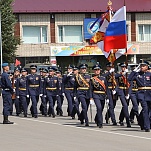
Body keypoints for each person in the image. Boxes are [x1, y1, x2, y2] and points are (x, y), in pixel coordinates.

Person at [129, 60, 151, 132]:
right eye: (141, 66)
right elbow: (129, 78)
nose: (142, 67)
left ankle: (141, 122)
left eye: (143, 66)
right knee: (145, 109)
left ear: (147, 67)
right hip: (141, 94)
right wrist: (135, 70)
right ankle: (147, 126)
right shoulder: (137, 74)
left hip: (149, 94)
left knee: (147, 110)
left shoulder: (149, 74)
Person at [90, 64, 109, 128]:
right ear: (93, 71)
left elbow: (106, 88)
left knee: (101, 109)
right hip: (96, 94)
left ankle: (96, 118)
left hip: (102, 95)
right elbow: (90, 89)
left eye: (98, 70)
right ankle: (100, 123)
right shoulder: (92, 79)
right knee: (99, 107)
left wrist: (108, 97)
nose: (97, 71)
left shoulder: (103, 78)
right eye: (95, 70)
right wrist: (91, 98)